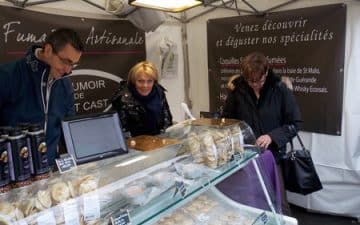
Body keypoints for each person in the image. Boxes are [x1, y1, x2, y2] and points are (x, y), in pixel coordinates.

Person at [222, 51, 302, 215]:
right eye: (250, 80)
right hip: (245, 156)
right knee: (250, 201)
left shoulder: (280, 90)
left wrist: (271, 136)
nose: (254, 85)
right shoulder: (238, 90)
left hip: (272, 157)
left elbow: (295, 124)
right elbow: (228, 121)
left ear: (266, 72)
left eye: (258, 80)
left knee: (279, 202)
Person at [0, 28, 84, 166]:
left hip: (50, 169)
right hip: (13, 172)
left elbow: (69, 127)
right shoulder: (7, 75)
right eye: (66, 61)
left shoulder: (65, 83)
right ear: (48, 50)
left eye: (73, 64)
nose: (68, 70)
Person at [111, 61, 173, 137]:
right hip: (134, 144)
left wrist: (163, 139)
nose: (145, 86)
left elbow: (167, 121)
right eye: (140, 81)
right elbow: (121, 132)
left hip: (158, 141)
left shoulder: (159, 92)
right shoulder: (122, 99)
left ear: (154, 81)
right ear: (134, 81)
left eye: (149, 81)